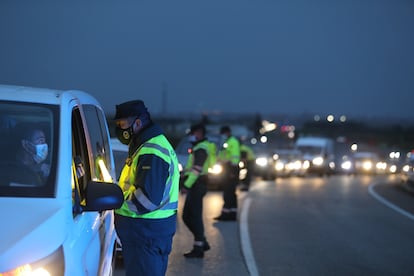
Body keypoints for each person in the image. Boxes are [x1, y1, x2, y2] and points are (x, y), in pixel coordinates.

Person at [113, 100, 179, 276]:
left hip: (145, 233)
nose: (120, 130)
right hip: (150, 231)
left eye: (122, 124)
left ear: (138, 122)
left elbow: (146, 201)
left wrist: (114, 202)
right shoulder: (146, 145)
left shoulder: (152, 151)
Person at [181, 123, 211, 258]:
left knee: (193, 216)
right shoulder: (198, 147)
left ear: (199, 133)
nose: (191, 136)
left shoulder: (201, 149)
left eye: (193, 133)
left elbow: (196, 170)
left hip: (197, 185)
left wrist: (187, 185)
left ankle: (199, 247)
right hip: (196, 185)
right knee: (188, 216)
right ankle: (202, 241)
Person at [215, 125, 240, 221]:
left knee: (228, 193)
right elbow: (222, 155)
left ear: (227, 132)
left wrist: (233, 172)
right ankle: (232, 213)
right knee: (230, 193)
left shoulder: (233, 142)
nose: (222, 135)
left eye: (223, 133)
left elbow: (235, 158)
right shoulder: (227, 142)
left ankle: (226, 214)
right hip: (227, 168)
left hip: (231, 169)